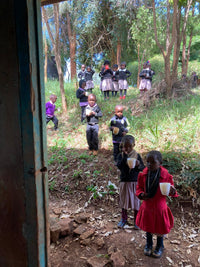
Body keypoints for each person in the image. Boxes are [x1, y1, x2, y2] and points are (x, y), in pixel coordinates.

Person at [136, 150, 178, 258]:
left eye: (152, 162)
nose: (149, 164)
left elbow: (171, 190)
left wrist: (172, 191)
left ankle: (160, 245)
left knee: (160, 227)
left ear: (160, 163)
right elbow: (139, 188)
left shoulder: (166, 175)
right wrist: (141, 194)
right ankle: (148, 244)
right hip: (147, 206)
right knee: (148, 226)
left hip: (160, 206)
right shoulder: (143, 175)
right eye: (147, 162)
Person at [116, 135, 145, 229]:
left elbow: (143, 168)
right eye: (126, 146)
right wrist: (124, 156)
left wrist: (138, 164)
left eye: (130, 146)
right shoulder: (121, 155)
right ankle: (124, 219)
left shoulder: (137, 156)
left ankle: (137, 221)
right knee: (124, 201)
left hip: (134, 182)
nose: (128, 148)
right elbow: (119, 166)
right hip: (124, 181)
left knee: (136, 201)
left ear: (134, 145)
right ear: (123, 145)